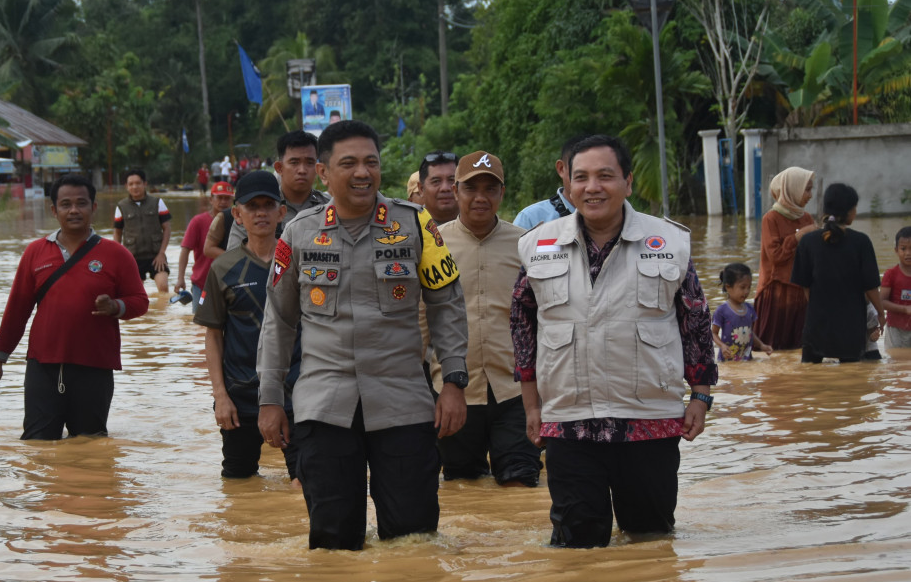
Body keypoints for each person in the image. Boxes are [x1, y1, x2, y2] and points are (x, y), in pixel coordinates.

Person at [258, 119, 470, 551]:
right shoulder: (298, 232)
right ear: (323, 172)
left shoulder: (416, 225)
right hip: (323, 406)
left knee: (413, 540)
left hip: (403, 403)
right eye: (349, 163)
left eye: (371, 162)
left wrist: (453, 382)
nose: (362, 173)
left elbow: (446, 305)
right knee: (333, 543)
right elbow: (279, 320)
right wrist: (269, 400)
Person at [510, 135, 717, 548]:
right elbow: (522, 327)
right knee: (576, 549)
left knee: (651, 544)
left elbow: (694, 320)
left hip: (650, 423)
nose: (593, 187)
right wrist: (531, 406)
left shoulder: (669, 243)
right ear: (567, 184)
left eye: (605, 176)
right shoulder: (537, 245)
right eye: (582, 177)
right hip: (568, 424)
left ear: (628, 181)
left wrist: (701, 396)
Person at [0, 174, 150, 440]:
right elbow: (17, 310)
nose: (74, 210)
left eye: (81, 203)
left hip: (95, 366)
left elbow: (140, 302)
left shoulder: (116, 254)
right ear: (54, 210)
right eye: (66, 204)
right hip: (43, 366)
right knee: (37, 444)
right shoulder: (35, 252)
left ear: (94, 208)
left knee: (90, 445)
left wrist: (115, 307)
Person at [427, 150, 542, 486]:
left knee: (521, 482)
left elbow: (543, 317)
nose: (480, 198)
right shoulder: (433, 244)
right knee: (463, 485)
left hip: (516, 390)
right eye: (471, 189)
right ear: (456, 191)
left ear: (502, 194)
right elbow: (422, 319)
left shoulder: (525, 245)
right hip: (453, 390)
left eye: (490, 189)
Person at [194, 171, 301, 480]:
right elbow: (213, 335)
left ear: (281, 212)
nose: (260, 213)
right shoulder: (223, 268)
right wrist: (221, 396)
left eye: (268, 205)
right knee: (238, 485)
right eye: (252, 206)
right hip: (240, 394)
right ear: (237, 214)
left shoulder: (299, 262)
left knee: (304, 484)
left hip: (296, 392)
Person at [791, 183, 883, 363]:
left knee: (810, 376)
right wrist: (881, 313)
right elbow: (871, 287)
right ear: (849, 211)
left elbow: (805, 285)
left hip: (816, 326)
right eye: (855, 207)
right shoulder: (861, 242)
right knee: (851, 381)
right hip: (851, 327)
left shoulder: (808, 242)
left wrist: (819, 308)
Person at [204, 131, 326, 260]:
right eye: (294, 162)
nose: (302, 170)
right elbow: (235, 261)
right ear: (279, 168)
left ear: (318, 168)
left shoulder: (331, 208)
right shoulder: (253, 209)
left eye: (309, 162)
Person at [754, 166, 817, 350]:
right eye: (807, 189)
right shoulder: (770, 219)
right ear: (793, 190)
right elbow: (775, 256)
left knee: (799, 347)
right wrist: (798, 236)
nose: (810, 195)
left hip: (801, 290)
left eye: (811, 189)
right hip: (777, 292)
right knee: (771, 346)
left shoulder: (807, 218)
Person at [176, 182, 234, 312]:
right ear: (211, 200)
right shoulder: (198, 221)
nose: (223, 202)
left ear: (232, 201)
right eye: (219, 198)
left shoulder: (240, 223)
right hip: (202, 283)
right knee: (199, 322)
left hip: (230, 283)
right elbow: (185, 250)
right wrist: (180, 278)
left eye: (227, 198)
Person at [113, 169, 172, 294]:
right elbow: (117, 233)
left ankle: (162, 313)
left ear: (145, 184)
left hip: (156, 256)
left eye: (138, 183)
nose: (135, 187)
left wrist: (162, 253)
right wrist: (119, 258)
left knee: (163, 287)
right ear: (126, 186)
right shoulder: (121, 206)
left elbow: (167, 228)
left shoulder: (157, 203)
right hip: (132, 258)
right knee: (135, 293)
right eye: (131, 184)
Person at [512, 134, 586, 230]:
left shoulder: (610, 218)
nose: (592, 186)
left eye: (602, 176)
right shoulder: (531, 219)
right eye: (581, 175)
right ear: (561, 168)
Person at [711, 263, 772, 361]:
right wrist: (722, 346)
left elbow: (750, 332)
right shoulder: (722, 310)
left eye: (749, 287)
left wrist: (761, 345)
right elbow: (713, 333)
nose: (746, 291)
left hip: (747, 359)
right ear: (728, 287)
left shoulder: (749, 309)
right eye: (742, 287)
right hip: (728, 361)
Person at [879, 226, 911, 349]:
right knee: (895, 361)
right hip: (895, 329)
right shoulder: (891, 274)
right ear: (896, 250)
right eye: (903, 249)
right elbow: (881, 302)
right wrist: (905, 309)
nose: (908, 253)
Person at [418, 150, 459, 224]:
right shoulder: (408, 228)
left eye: (451, 180)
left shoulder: (480, 225)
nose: (445, 188)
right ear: (421, 189)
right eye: (436, 181)